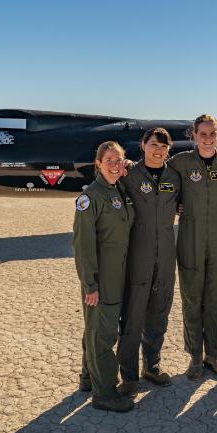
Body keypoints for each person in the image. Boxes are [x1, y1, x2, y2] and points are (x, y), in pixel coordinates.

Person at [167, 114, 217, 380]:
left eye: (212, 134)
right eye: (202, 134)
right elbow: (160, 185)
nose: (207, 139)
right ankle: (195, 357)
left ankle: (214, 356)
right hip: (190, 240)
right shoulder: (179, 163)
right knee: (192, 300)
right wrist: (175, 205)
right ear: (194, 136)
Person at [116, 128, 181, 396]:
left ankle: (151, 366)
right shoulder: (128, 174)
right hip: (137, 252)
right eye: (153, 144)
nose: (158, 150)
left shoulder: (175, 177)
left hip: (166, 252)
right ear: (143, 145)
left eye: (163, 147)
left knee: (159, 312)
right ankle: (129, 374)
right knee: (133, 314)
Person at [73, 141, 135, 412]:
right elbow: (83, 245)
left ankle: (89, 378)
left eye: (118, 160)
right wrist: (90, 284)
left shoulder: (117, 190)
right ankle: (105, 392)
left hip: (117, 274)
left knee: (95, 329)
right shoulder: (91, 197)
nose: (114, 164)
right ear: (98, 163)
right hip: (101, 279)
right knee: (103, 335)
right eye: (108, 160)